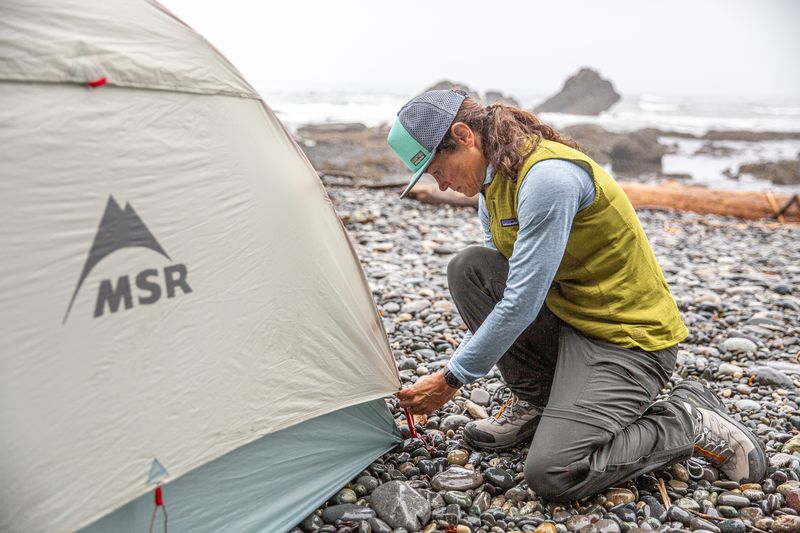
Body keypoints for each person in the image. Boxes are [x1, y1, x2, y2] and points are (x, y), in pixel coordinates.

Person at [387, 89, 767, 502]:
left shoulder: (548, 177)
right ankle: (541, 403)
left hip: (628, 342)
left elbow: (520, 302)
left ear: (464, 136)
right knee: (470, 269)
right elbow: (504, 289)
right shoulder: (492, 184)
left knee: (554, 472)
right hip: (573, 327)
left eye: (437, 168)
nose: (440, 183)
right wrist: (459, 365)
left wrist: (452, 379)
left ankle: (687, 421)